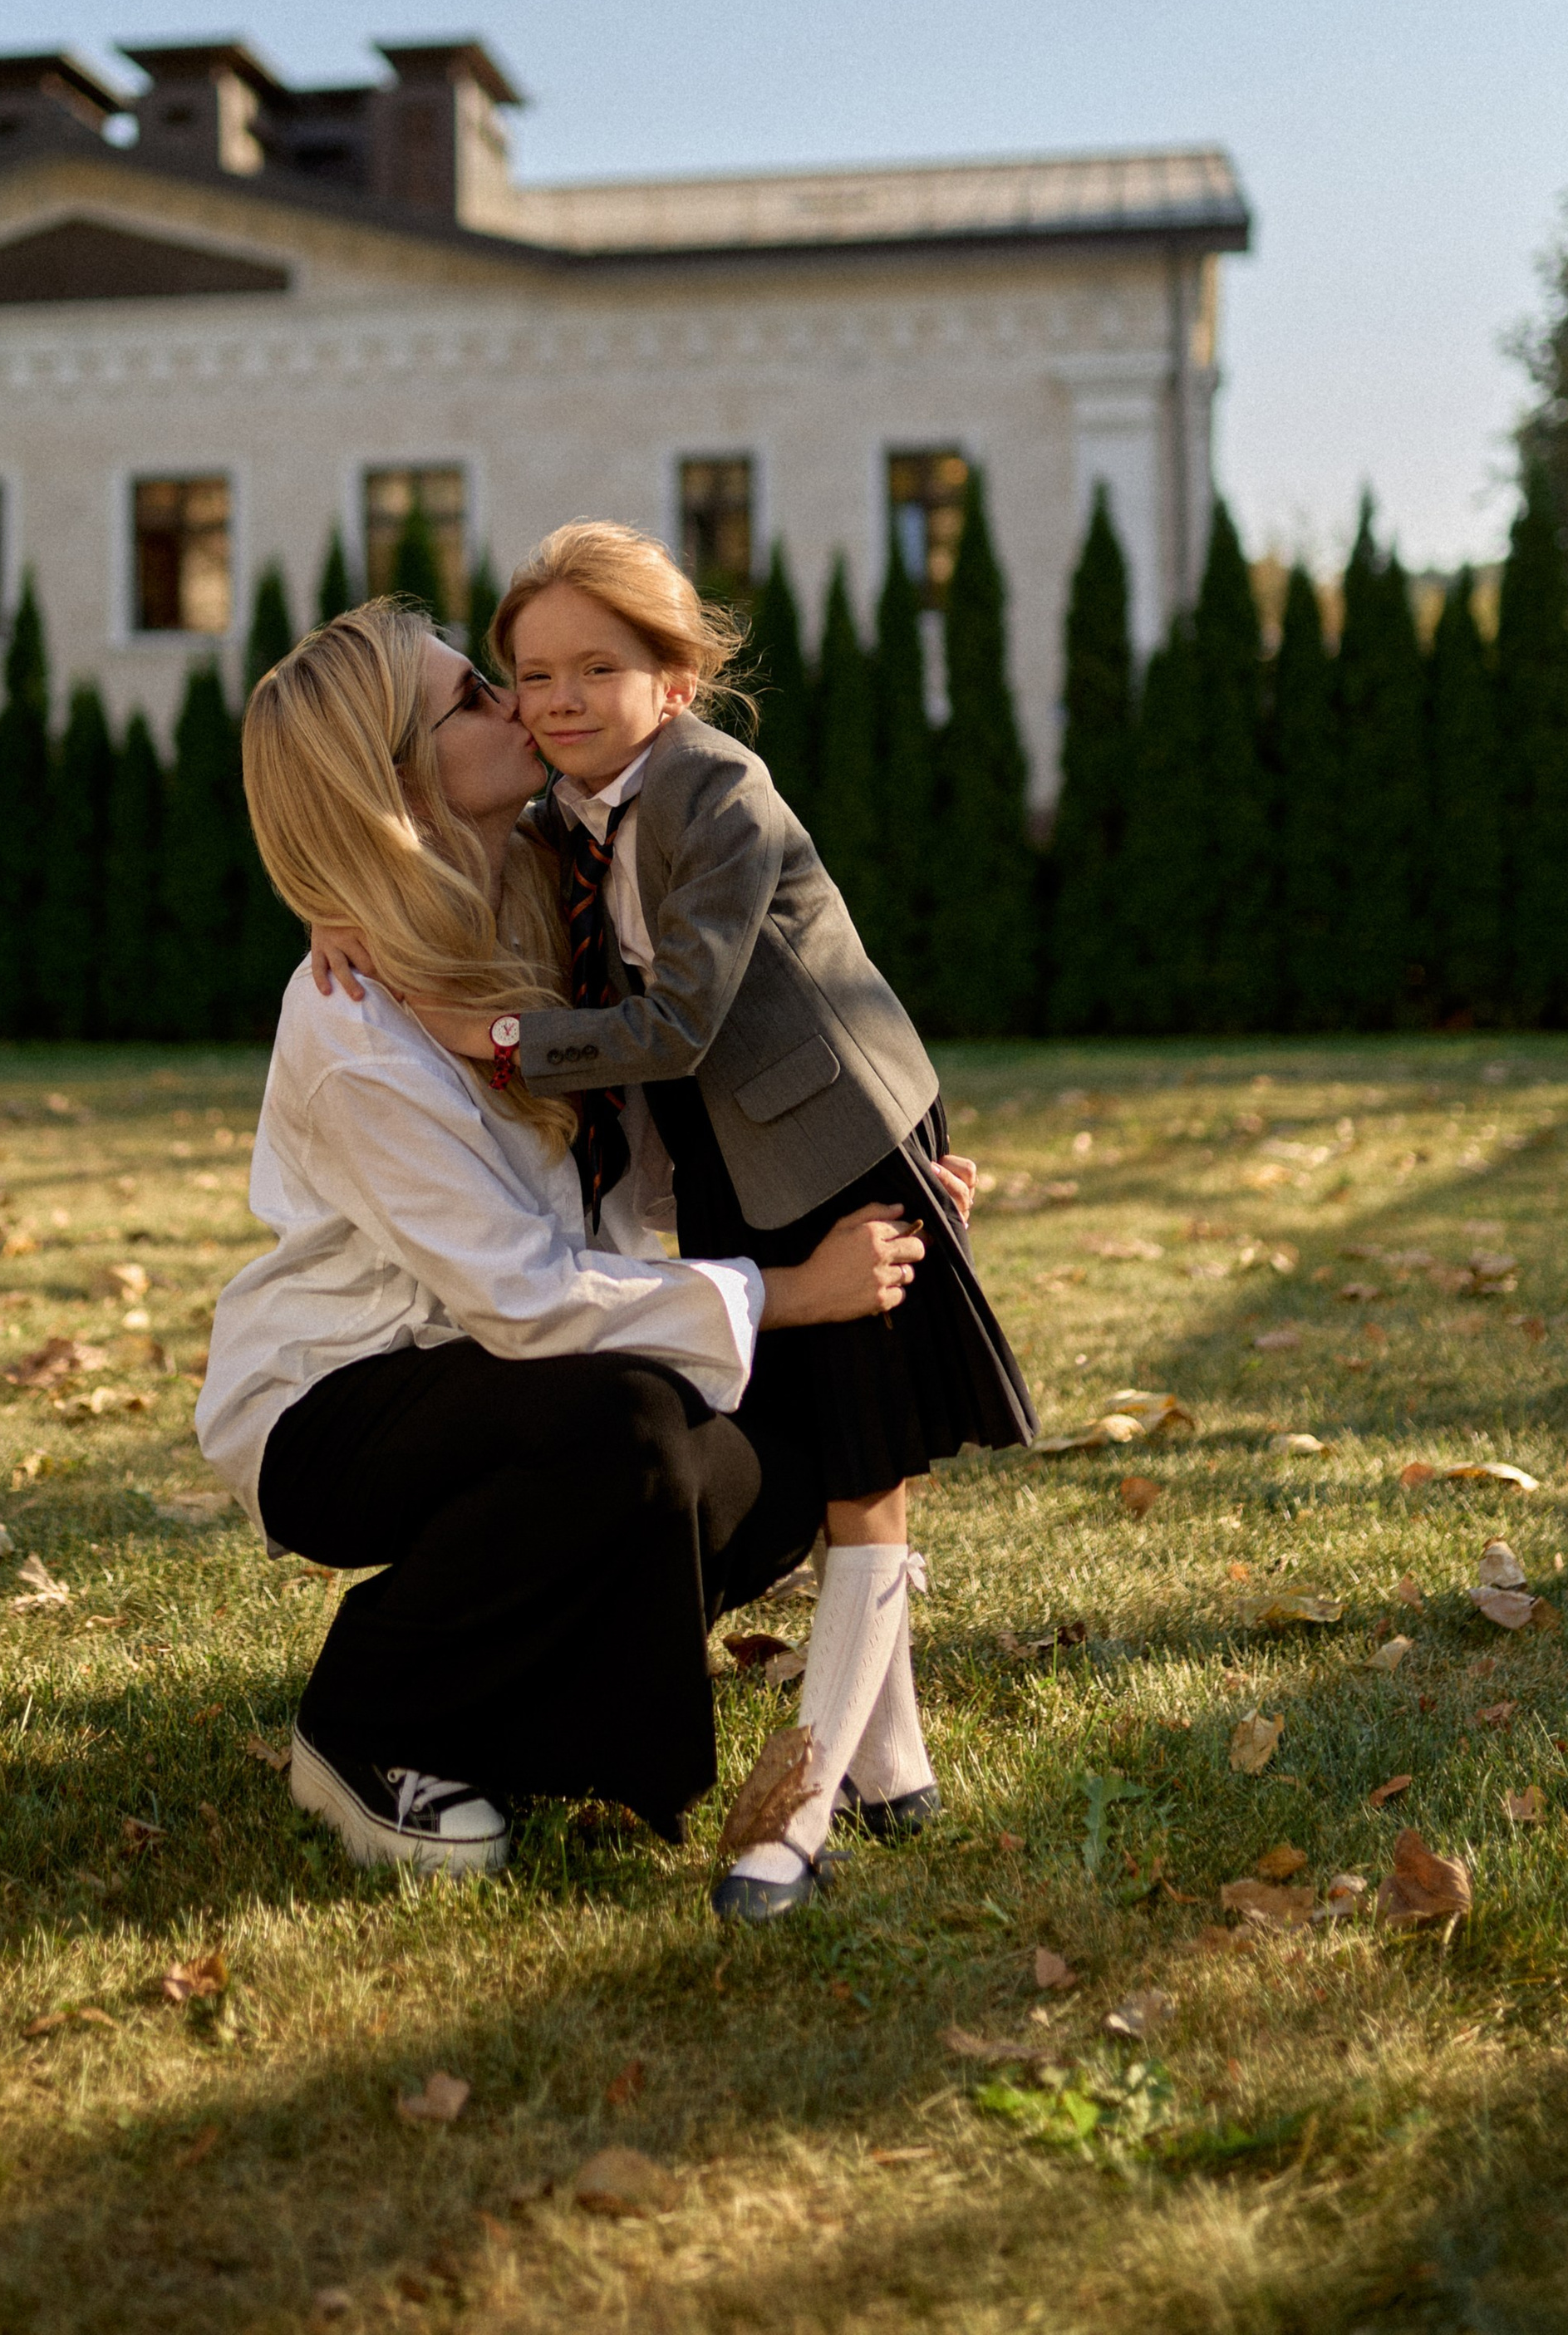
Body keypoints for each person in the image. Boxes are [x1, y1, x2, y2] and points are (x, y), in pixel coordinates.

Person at [314, 521, 1034, 1922]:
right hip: (727, 1160)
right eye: (531, 674)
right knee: (821, 1445)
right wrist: (338, 906)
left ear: (678, 681)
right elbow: (427, 852)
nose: (557, 700)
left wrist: (504, 1041)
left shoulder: (720, 797)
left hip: (832, 1145)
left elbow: (679, 1022)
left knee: (865, 1477)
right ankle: (898, 1770)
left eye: (599, 668)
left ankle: (800, 1813)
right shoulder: (567, 816)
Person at [195, 600, 927, 1875]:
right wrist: (788, 1293)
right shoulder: (351, 1020)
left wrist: (882, 1165)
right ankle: (366, 1721)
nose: (521, 701)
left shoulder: (565, 894)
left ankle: (504, 1727)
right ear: (395, 780)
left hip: (520, 1372)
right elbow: (521, 1302)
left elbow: (680, 1121)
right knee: (631, 1429)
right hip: (344, 1398)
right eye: (475, 695)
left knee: (770, 1467)